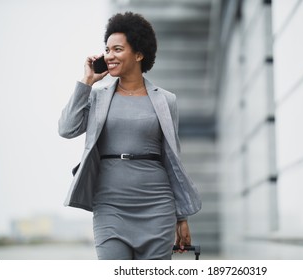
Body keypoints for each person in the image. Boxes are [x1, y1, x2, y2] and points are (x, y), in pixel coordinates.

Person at [58, 12, 201, 260]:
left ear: (138, 54)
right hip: (110, 206)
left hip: (157, 207)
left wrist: (182, 216)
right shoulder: (97, 96)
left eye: (117, 49)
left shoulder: (166, 100)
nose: (109, 56)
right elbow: (67, 129)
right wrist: (86, 81)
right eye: (107, 49)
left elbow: (173, 159)